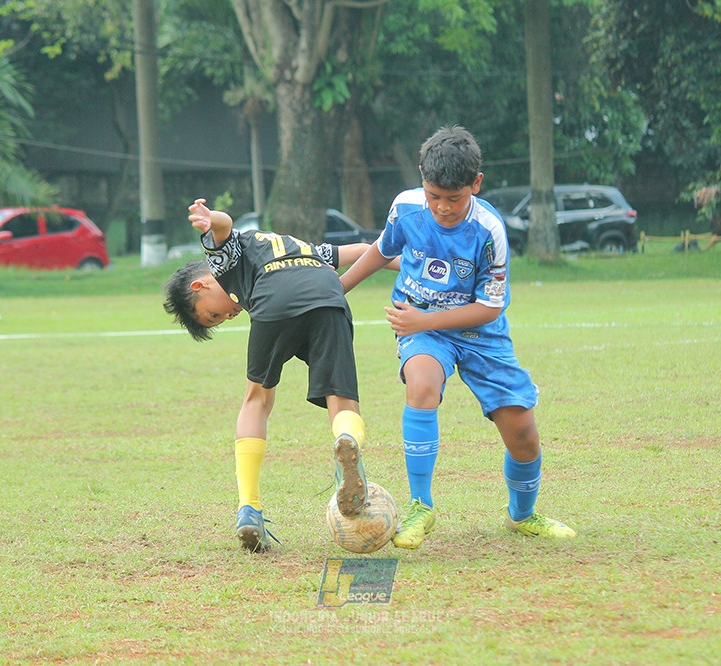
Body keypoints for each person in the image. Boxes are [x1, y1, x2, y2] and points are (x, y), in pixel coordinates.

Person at [340, 125, 575, 549]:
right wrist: (338, 288)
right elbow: (380, 249)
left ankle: (523, 515)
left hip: (480, 333)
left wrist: (423, 323)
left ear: (476, 185)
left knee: (523, 435)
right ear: (421, 181)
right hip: (422, 322)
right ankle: (421, 506)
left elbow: (489, 307)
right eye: (434, 196)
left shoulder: (489, 230)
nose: (443, 208)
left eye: (454, 198)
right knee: (423, 383)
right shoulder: (406, 207)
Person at [164, 199, 375, 553]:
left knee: (257, 398)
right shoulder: (286, 242)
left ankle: (249, 507)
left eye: (212, 316)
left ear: (200, 286)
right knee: (342, 397)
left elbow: (224, 224)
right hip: (326, 291)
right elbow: (368, 251)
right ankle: (347, 450)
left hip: (273, 296)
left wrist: (208, 218)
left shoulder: (225, 260)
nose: (227, 317)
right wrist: (410, 260)